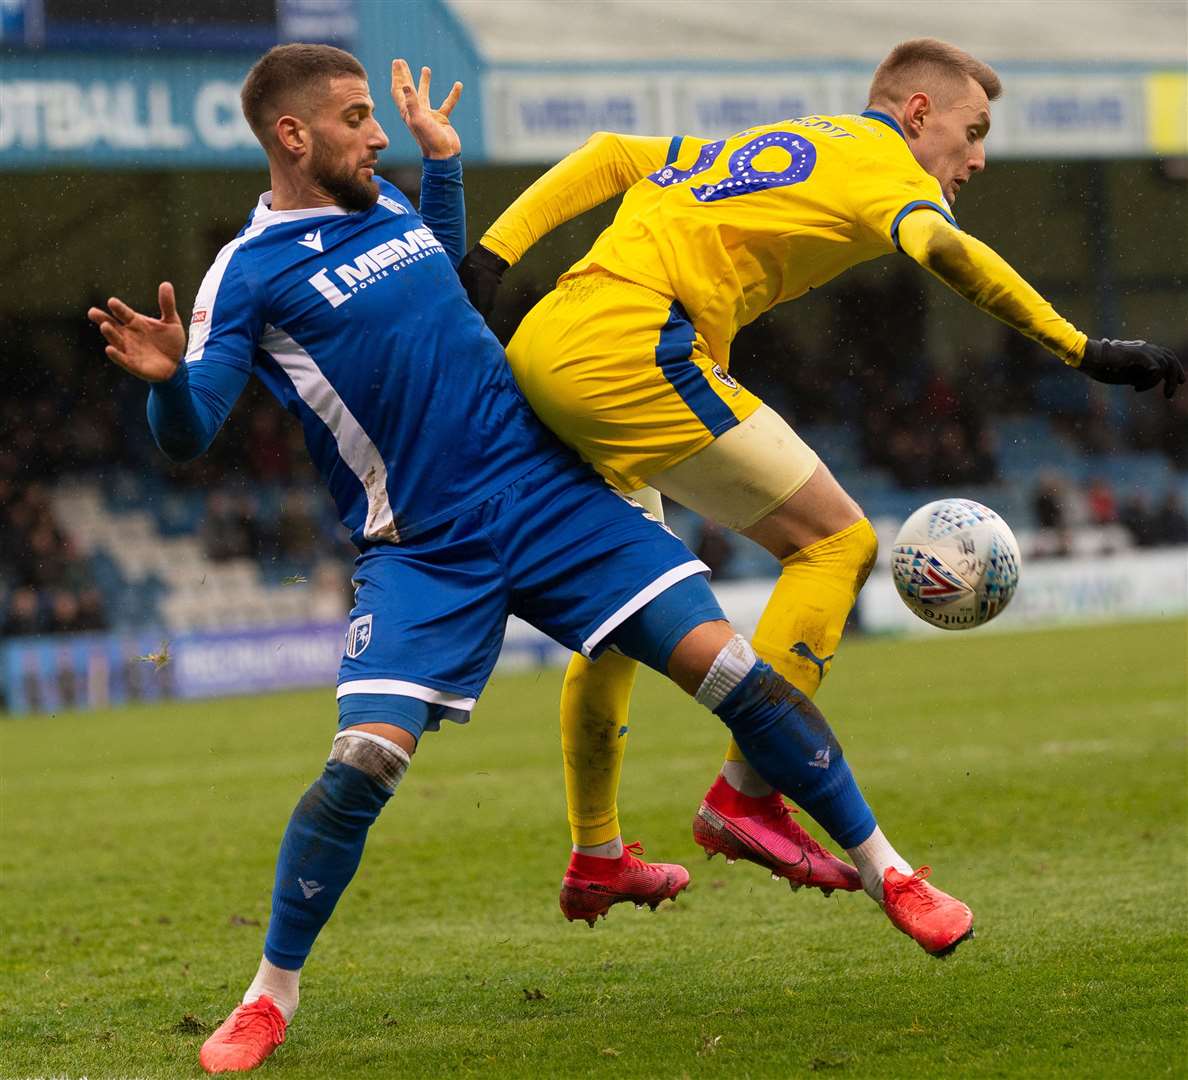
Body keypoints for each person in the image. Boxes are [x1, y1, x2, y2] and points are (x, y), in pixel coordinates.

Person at [87, 44, 969, 1076]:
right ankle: (267, 996)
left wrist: (445, 166)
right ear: (293, 135)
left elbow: (451, 286)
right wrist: (160, 381)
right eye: (356, 117)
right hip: (424, 548)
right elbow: (191, 430)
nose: (378, 134)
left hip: (551, 497)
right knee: (363, 763)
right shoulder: (248, 270)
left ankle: (891, 873)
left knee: (732, 672)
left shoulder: (391, 206)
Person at [458, 38, 1185, 920]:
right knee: (837, 540)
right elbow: (948, 254)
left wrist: (493, 256)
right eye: (973, 130)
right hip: (635, 352)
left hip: (549, 341)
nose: (980, 157)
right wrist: (1081, 347)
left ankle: (596, 851)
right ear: (917, 114)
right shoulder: (885, 167)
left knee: (615, 621)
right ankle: (746, 794)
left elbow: (612, 154)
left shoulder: (779, 144)